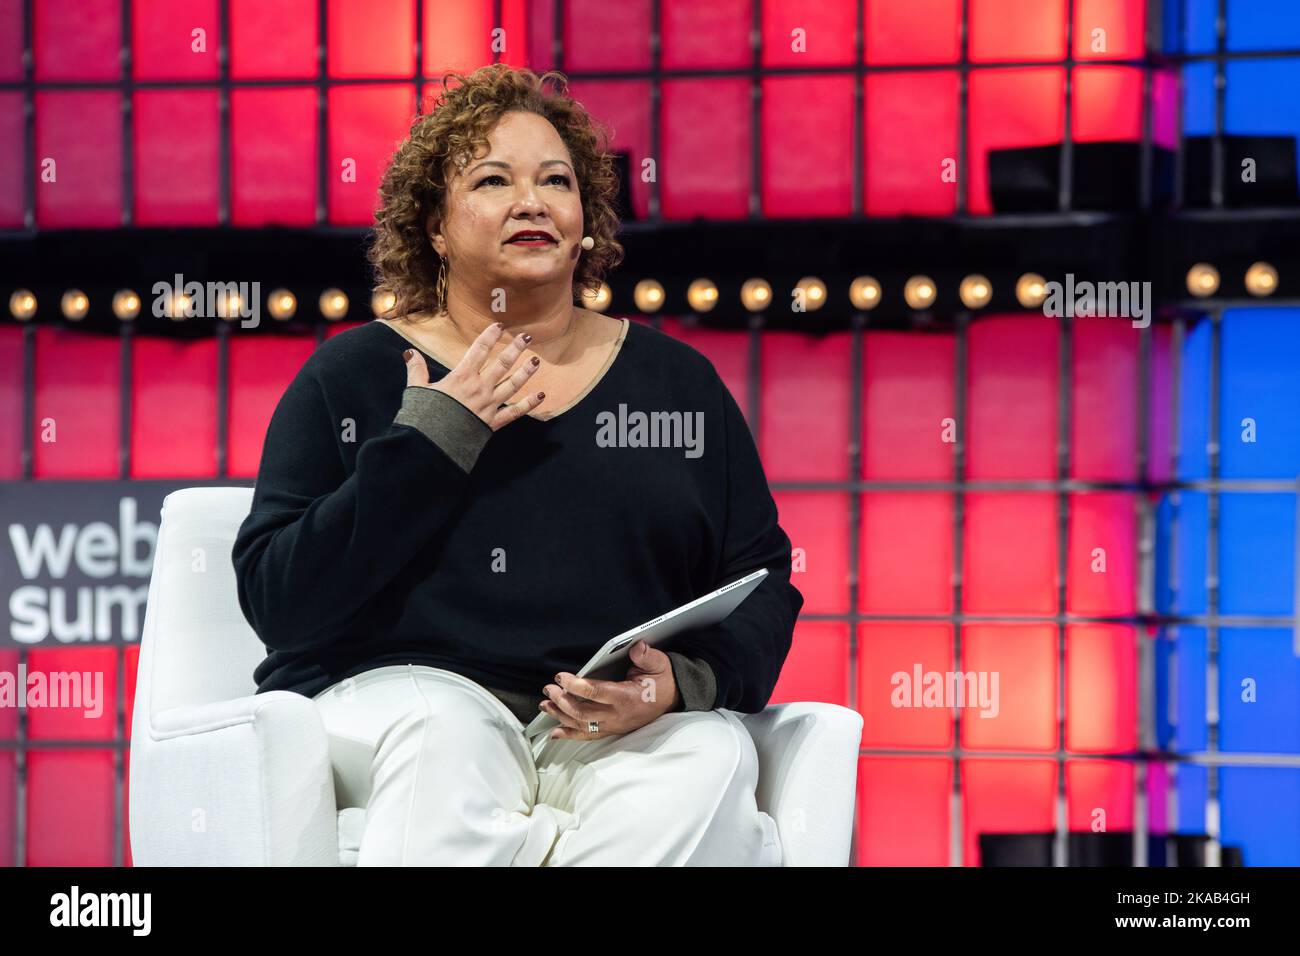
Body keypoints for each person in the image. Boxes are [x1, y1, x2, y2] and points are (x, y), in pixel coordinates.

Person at [231, 63, 803, 866]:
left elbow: (762, 577)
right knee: (447, 737)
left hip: (600, 723)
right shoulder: (353, 375)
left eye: (555, 181)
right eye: (493, 180)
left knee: (708, 760)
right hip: (406, 701)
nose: (531, 201)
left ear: (585, 220)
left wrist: (680, 683)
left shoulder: (678, 385)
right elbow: (278, 598)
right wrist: (435, 437)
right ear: (433, 224)